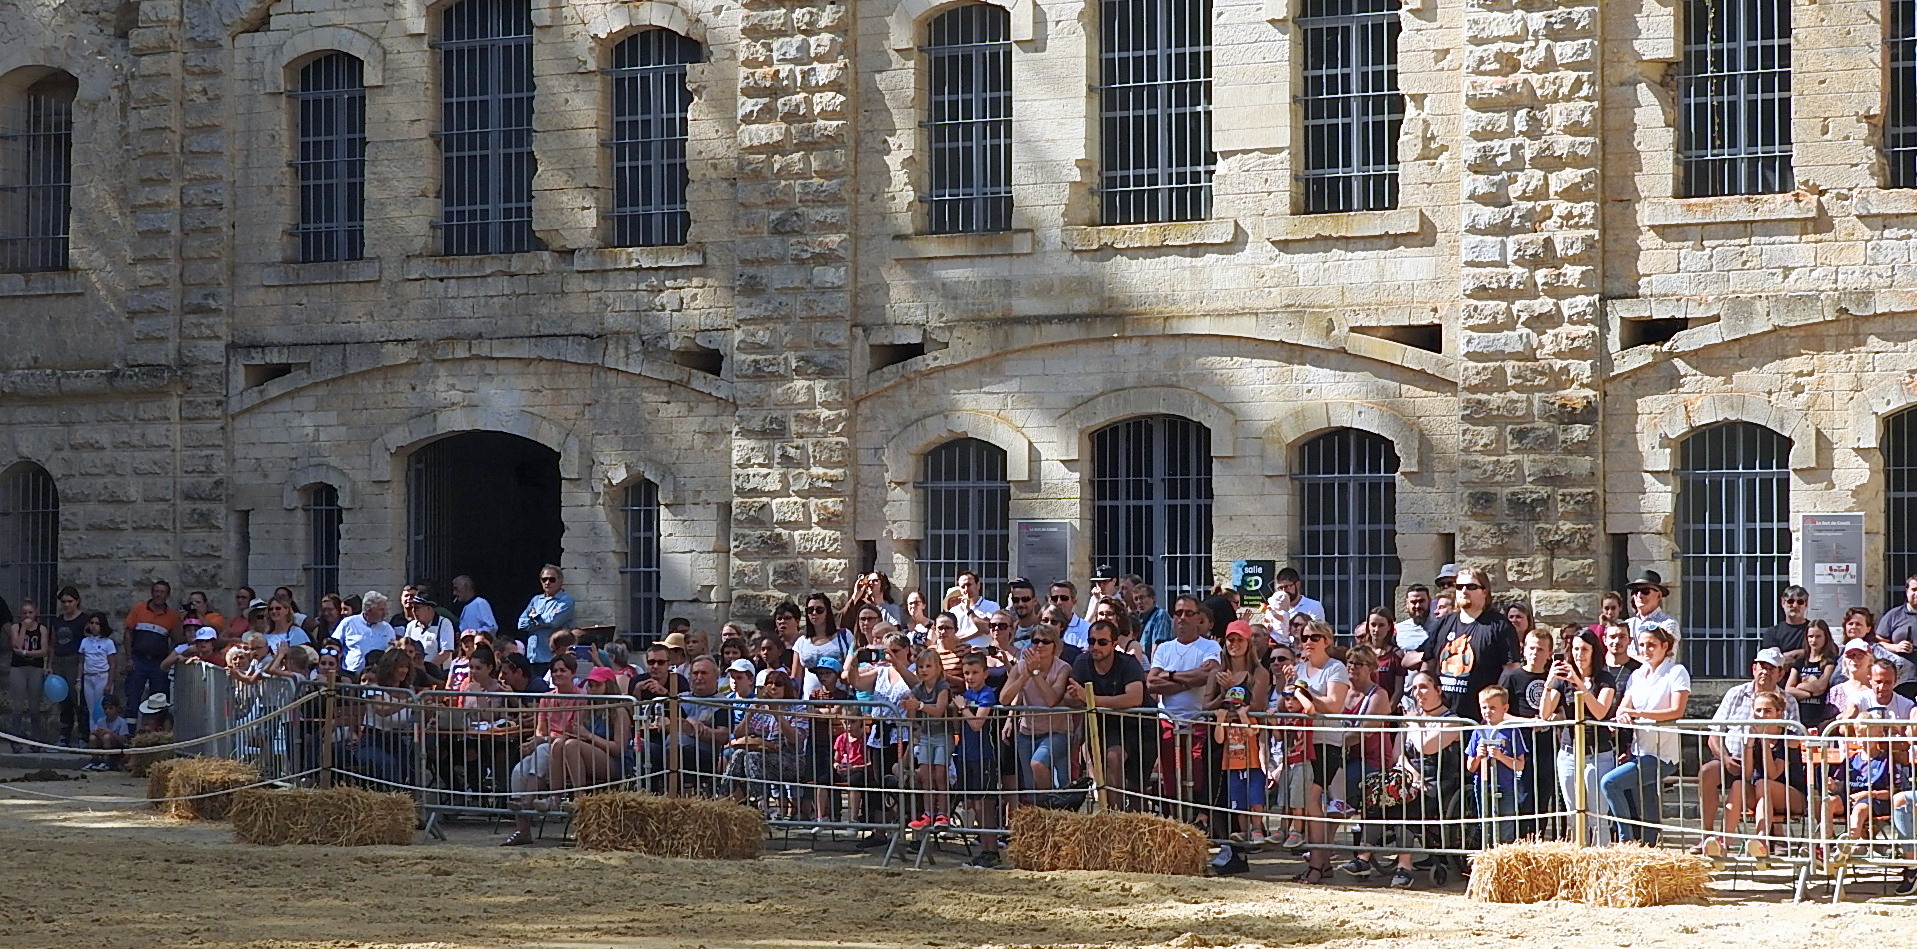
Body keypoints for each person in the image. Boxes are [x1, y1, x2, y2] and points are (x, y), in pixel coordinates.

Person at [1696, 647, 1800, 857]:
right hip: (1734, 758)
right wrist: (1725, 758)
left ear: (1781, 673)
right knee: (1709, 772)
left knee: (1763, 784)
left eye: (1772, 668)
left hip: (1775, 772)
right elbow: (1714, 734)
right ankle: (1710, 838)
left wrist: (1762, 739)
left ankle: (1769, 838)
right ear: (1754, 668)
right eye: (1762, 666)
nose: (1766, 672)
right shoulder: (1735, 694)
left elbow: (1793, 742)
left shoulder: (1788, 703)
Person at [1601, 626, 1690, 845]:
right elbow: (1624, 708)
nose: (1646, 649)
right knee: (1648, 805)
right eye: (1642, 645)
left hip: (1662, 754)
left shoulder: (1676, 671)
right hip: (1639, 751)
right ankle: (1649, 849)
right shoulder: (1637, 675)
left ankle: (1626, 840)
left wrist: (1637, 714)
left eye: (1651, 645)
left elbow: (1676, 711)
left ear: (1665, 646)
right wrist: (1621, 717)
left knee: (1609, 783)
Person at [1381, 672, 1468, 888]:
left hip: (1440, 779)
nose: (1418, 693)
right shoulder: (1412, 720)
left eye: (1423, 687)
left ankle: (1405, 866)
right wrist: (1412, 773)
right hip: (1411, 777)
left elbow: (1425, 747)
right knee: (1377, 788)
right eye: (1414, 689)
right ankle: (1363, 856)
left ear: (1438, 690)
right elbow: (1397, 755)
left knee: (1406, 797)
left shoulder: (1452, 721)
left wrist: (1413, 724)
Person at [1536, 627, 1618, 846]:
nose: (1579, 655)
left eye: (1584, 649)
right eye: (1575, 649)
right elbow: (1545, 713)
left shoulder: (1605, 679)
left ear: (1594, 652)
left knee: (1597, 816)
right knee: (1574, 815)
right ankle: (1578, 859)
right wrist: (1550, 681)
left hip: (1597, 754)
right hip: (1569, 753)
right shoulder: (1563, 680)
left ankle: (1600, 861)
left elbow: (1600, 712)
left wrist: (1580, 685)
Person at [1149, 595, 1223, 822]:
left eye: (1188, 613)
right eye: (1178, 612)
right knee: (1171, 772)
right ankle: (1175, 817)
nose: (1182, 618)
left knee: (1197, 770)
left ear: (1198, 617)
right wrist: (1188, 680)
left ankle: (1199, 817)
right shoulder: (1163, 648)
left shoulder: (1209, 646)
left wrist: (1169, 675)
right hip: (1169, 719)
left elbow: (1208, 675)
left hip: (1198, 719)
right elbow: (1152, 682)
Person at [1289, 619, 1352, 884]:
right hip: (1304, 741)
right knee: (1308, 802)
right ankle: (1320, 863)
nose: (1308, 642)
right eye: (1304, 637)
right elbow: (1292, 701)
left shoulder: (1335, 668)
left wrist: (1305, 692)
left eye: (1314, 637)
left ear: (1326, 640)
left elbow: (1334, 705)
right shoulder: (1300, 668)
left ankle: (1317, 864)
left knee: (1314, 801)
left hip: (1327, 741)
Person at [1067, 618, 1152, 804]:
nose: (1095, 646)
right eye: (1091, 641)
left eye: (1102, 642)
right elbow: (1072, 698)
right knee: (1112, 759)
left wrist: (1090, 699)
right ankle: (1114, 819)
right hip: (1106, 725)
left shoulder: (1128, 664)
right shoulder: (1082, 663)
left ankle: (1127, 820)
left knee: (1137, 786)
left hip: (1140, 726)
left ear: (1114, 644)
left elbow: (1134, 698)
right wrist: (1074, 697)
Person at [1423, 566, 1520, 722]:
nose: (1464, 591)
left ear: (1484, 591)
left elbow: (1510, 670)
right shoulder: (1444, 623)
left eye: (1471, 586)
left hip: (1480, 717)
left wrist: (1493, 706)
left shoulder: (1499, 625)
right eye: (1460, 587)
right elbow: (1428, 664)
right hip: (1443, 715)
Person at [1718, 691, 1802, 865]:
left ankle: (1762, 842)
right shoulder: (1754, 737)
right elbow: (1747, 775)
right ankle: (1723, 842)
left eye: (1767, 711)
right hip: (1761, 794)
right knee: (1738, 785)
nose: (1761, 716)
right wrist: (1749, 744)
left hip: (1792, 796)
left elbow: (1773, 774)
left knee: (1764, 784)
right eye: (1758, 711)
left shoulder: (1788, 737)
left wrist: (1764, 741)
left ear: (1778, 713)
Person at [722, 669, 809, 811]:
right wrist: (750, 713)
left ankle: (761, 806)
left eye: (778, 684)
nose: (773, 687)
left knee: (753, 757)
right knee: (739, 754)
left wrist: (776, 713)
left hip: (791, 760)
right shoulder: (761, 707)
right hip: (763, 757)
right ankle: (722, 797)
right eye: (769, 683)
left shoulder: (797, 708)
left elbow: (795, 739)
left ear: (786, 687)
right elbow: (738, 734)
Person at [1001, 626, 1074, 795]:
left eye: (1045, 641)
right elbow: (1004, 699)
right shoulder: (1020, 667)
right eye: (1036, 641)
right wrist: (1025, 675)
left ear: (1054, 645)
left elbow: (1051, 700)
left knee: (1039, 764)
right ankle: (1042, 815)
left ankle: (1051, 807)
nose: (1040, 645)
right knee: (1030, 786)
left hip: (1057, 732)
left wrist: (1035, 673)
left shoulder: (1063, 668)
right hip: (1027, 733)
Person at [953, 652, 1004, 867]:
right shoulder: (965, 694)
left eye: (975, 672)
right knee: (975, 804)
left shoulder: (987, 695)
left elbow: (977, 723)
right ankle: (985, 848)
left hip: (984, 755)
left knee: (985, 804)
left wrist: (963, 708)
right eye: (966, 673)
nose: (970, 677)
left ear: (985, 673)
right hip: (967, 754)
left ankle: (992, 851)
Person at [1467, 685, 1529, 844]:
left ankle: (1504, 861)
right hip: (1483, 785)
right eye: (1484, 707)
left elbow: (1520, 765)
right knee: (1486, 827)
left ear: (1505, 708)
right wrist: (1478, 757)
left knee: (1506, 827)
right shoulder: (1478, 732)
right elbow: (1470, 767)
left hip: (1507, 786)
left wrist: (1501, 757)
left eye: (1493, 708)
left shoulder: (1513, 731)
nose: (1488, 712)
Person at [903, 646, 954, 830]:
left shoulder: (943, 687)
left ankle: (943, 814)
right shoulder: (917, 688)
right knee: (925, 775)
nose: (924, 670)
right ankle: (928, 813)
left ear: (938, 668)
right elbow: (911, 717)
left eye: (928, 666)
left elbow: (939, 711)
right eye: (921, 666)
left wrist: (920, 705)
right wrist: (909, 706)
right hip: (925, 736)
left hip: (942, 735)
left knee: (940, 775)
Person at [1213, 685, 1267, 843]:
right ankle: (1244, 831)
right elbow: (1219, 739)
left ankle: (1257, 829)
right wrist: (1220, 720)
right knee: (1238, 802)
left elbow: (1251, 732)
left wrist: (1243, 715)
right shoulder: (1226, 721)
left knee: (1255, 800)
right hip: (1232, 766)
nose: (1232, 709)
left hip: (1252, 765)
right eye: (1228, 705)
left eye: (1236, 705)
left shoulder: (1250, 718)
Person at [123, 580, 182, 707]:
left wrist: (168, 660)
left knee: (159, 699)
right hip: (138, 660)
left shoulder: (172, 616)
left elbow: (177, 640)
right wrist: (129, 658)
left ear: (167, 595)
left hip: (158, 663)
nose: (158, 595)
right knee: (132, 696)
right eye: (156, 591)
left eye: (162, 592)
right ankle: (131, 726)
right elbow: (128, 633)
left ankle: (156, 726)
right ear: (151, 593)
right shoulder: (139, 609)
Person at [1786, 619, 1840, 732]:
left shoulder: (1829, 661)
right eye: (1810, 636)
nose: (1813, 640)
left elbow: (1821, 686)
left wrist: (1800, 686)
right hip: (1800, 716)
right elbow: (1788, 689)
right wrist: (1808, 693)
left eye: (1818, 636)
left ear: (1826, 637)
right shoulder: (1800, 661)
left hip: (1820, 716)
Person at [48, 587, 87, 747]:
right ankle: (64, 737)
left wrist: (82, 667)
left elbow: (88, 645)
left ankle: (83, 736)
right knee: (63, 701)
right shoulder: (57, 621)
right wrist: (49, 665)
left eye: (70, 601)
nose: (66, 605)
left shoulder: (84, 620)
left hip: (75, 661)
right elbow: (52, 644)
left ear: (77, 601)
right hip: (59, 660)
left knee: (77, 700)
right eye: (63, 602)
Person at [516, 565, 575, 668]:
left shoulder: (566, 600)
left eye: (552, 579)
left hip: (552, 658)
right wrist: (540, 621)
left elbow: (554, 621)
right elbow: (521, 624)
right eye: (544, 579)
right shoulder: (536, 600)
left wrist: (534, 617)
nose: (547, 583)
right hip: (532, 658)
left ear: (560, 581)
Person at [7, 600, 49, 742]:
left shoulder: (42, 629)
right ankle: (15, 740)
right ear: (20, 615)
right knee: (17, 706)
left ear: (35, 613)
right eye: (24, 613)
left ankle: (36, 739)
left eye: (30, 612)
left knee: (35, 706)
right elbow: (16, 645)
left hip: (35, 669)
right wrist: (24, 628)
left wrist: (25, 653)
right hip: (18, 668)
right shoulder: (15, 627)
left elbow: (43, 651)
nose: (27, 616)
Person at [1623, 570, 1680, 661]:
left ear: (1659, 596)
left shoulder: (1668, 624)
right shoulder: (1627, 624)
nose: (1639, 595)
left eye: (1645, 591)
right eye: (1635, 591)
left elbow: (1663, 659)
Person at [76, 612, 119, 734]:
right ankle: (93, 735)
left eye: (97, 623)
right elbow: (81, 662)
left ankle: (104, 735)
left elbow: (113, 664)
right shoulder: (85, 642)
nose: (94, 626)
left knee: (102, 708)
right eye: (92, 623)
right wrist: (79, 679)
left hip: (102, 676)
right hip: (89, 677)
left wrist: (109, 683)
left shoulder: (108, 643)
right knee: (91, 709)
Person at [336, 591, 396, 675]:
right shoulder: (348, 623)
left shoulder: (388, 628)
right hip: (351, 676)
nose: (385, 613)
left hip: (378, 677)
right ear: (369, 610)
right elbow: (334, 645)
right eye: (381, 609)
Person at [1877, 574, 1917, 689]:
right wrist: (1896, 647)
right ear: (1906, 591)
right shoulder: (1893, 615)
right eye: (1914, 590)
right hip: (1902, 678)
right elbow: (1878, 642)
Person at [1762, 585, 1812, 670]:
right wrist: (1804, 653)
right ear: (1783, 603)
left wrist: (1786, 655)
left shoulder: (1815, 629)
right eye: (1790, 601)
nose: (1795, 605)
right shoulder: (1772, 633)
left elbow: (1826, 653)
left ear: (1806, 604)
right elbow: (1774, 661)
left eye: (1800, 602)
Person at [83, 694, 134, 771]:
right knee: (92, 738)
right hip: (102, 744)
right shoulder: (101, 721)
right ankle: (94, 760)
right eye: (105, 709)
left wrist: (110, 733)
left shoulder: (121, 722)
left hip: (116, 747)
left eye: (111, 708)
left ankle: (107, 761)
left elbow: (124, 740)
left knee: (107, 737)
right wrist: (95, 733)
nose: (107, 711)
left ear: (117, 709)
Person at [402, 598, 456, 668]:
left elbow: (446, 653)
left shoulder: (444, 624)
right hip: (414, 672)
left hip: (438, 673)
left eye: (417, 608)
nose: (413, 611)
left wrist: (427, 669)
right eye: (413, 608)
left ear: (429, 608)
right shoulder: (411, 625)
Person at [1044, 582, 1093, 649]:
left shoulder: (1086, 629)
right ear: (1049, 601)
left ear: (1074, 601)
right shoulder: (1041, 626)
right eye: (1054, 598)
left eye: (1064, 598)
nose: (1059, 602)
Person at [1395, 585, 1433, 668]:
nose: (1417, 606)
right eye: (1413, 602)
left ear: (1429, 601)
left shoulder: (1441, 627)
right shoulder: (1398, 630)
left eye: (1421, 601)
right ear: (1407, 603)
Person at [1132, 582, 1173, 659]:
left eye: (1142, 597)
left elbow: (1159, 645)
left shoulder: (1160, 615)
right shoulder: (1138, 619)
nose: (1139, 602)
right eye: (1136, 599)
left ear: (1153, 598)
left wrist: (1154, 668)